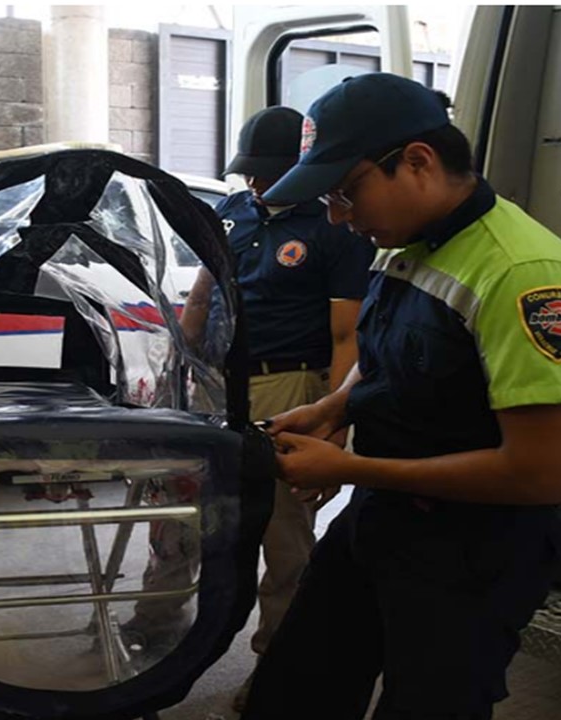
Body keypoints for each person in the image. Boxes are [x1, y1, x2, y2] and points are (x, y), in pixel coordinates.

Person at [239, 73, 561, 719]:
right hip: (384, 518)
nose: (337, 217)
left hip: (473, 551)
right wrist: (334, 409)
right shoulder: (403, 246)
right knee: (294, 690)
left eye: (345, 192)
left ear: (417, 162)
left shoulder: (527, 279)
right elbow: (385, 359)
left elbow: (543, 474)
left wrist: (348, 468)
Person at [122, 107, 375, 711]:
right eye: (250, 173)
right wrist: (176, 371)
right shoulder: (231, 214)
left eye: (267, 174)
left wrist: (334, 426)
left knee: (282, 533)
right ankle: (153, 629)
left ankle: (276, 666)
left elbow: (348, 338)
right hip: (209, 383)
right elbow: (201, 296)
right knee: (176, 510)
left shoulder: (332, 231)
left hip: (285, 388)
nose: (256, 185)